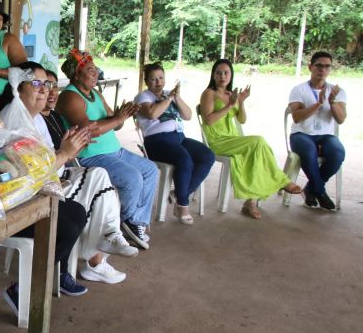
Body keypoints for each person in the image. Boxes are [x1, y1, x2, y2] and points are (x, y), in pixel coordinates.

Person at [0, 62, 128, 299]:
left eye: (47, 84)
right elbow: (25, 175)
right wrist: (65, 154)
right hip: (21, 198)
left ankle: (107, 239)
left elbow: (46, 164)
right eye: (36, 84)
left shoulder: (35, 118)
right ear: (18, 88)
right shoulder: (13, 120)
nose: (44, 90)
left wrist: (68, 150)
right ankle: (87, 260)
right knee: (74, 213)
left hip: (43, 185)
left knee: (92, 187)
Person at [55, 49, 158, 249]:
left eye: (96, 69)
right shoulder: (70, 97)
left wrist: (121, 116)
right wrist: (116, 119)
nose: (96, 73)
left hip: (114, 151)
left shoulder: (95, 94)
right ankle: (123, 222)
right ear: (77, 74)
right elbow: (88, 130)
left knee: (151, 170)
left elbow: (115, 124)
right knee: (132, 178)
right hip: (92, 156)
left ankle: (134, 220)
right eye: (90, 70)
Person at [40, 68, 139, 263]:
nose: (48, 91)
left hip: (63, 171)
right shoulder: (35, 115)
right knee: (100, 194)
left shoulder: (52, 116)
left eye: (52, 86)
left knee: (101, 178)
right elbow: (41, 165)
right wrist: (68, 152)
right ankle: (96, 261)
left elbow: (67, 150)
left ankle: (112, 234)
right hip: (50, 182)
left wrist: (71, 149)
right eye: (40, 85)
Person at [199, 59, 302, 219]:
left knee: (258, 151)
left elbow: (242, 120)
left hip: (233, 140)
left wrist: (240, 102)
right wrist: (229, 106)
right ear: (213, 75)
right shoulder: (209, 93)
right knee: (258, 141)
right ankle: (281, 180)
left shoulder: (230, 94)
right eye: (219, 73)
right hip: (217, 141)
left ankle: (250, 202)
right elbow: (209, 120)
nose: (222, 76)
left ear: (231, 75)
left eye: (226, 73)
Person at [135, 63, 215, 224]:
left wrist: (176, 97)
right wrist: (169, 98)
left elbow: (188, 115)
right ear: (146, 81)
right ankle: (182, 206)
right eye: (153, 79)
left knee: (207, 156)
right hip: (156, 142)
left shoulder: (168, 95)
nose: (158, 82)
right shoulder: (143, 97)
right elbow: (152, 114)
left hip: (179, 137)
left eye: (161, 78)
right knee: (184, 159)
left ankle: (180, 193)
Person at [287, 51, 346, 211]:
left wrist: (332, 102)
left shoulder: (337, 91)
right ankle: (320, 192)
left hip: (326, 135)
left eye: (327, 66)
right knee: (308, 152)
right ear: (310, 67)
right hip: (301, 134)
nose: (323, 70)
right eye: (319, 65)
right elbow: (297, 117)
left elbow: (341, 119)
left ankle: (311, 188)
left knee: (337, 153)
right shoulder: (298, 90)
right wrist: (318, 104)